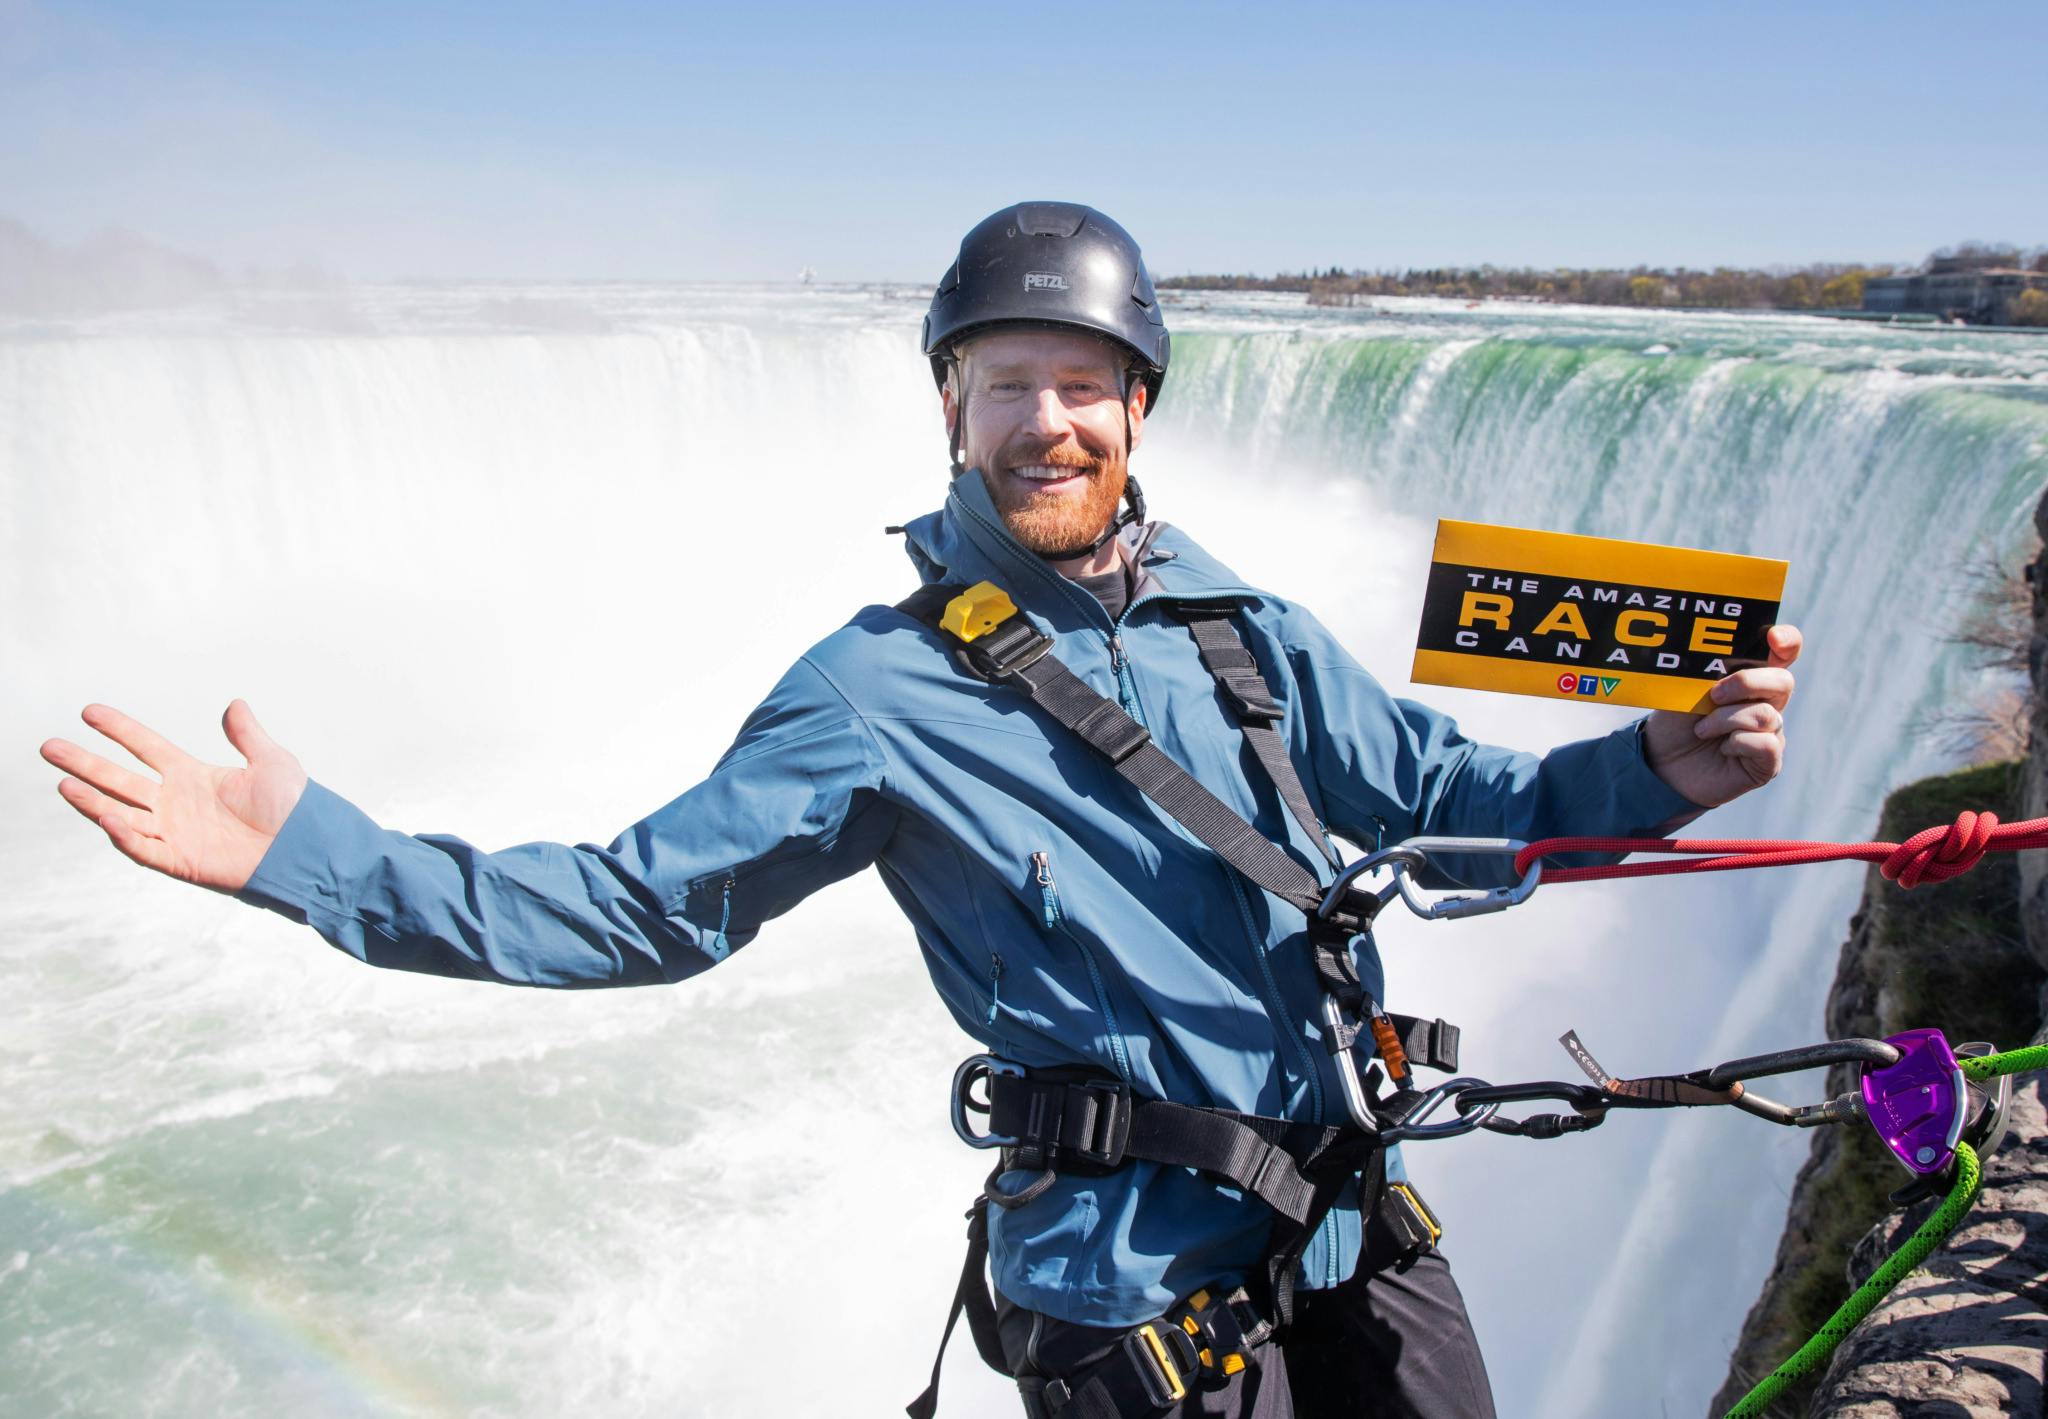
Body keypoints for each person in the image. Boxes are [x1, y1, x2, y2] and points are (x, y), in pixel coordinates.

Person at [39, 201, 1800, 1419]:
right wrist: (304, 856)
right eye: (1007, 382)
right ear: (951, 407)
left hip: (1351, 1226)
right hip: (1138, 1306)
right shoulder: (871, 692)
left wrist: (1663, 769)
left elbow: (1443, 796)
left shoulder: (1231, 620)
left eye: (1084, 382)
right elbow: (631, 909)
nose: (1049, 421)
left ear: (1138, 407)